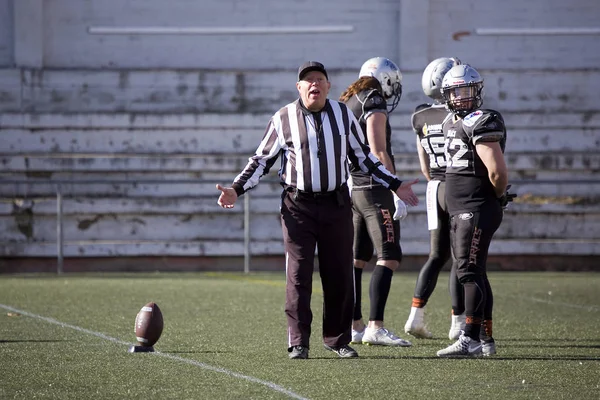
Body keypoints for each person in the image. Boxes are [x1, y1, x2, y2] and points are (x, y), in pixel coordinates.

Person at [216, 61, 419, 360]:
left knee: (339, 273)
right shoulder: (283, 118)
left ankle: (337, 340)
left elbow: (364, 158)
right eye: (307, 80)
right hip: (298, 206)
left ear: (328, 86)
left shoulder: (344, 115)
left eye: (319, 79)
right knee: (298, 274)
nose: (314, 84)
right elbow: (261, 160)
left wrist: (395, 184)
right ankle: (298, 341)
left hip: (336, 203)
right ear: (299, 88)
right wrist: (236, 188)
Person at [435, 64, 510, 357]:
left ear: (477, 91)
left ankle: (470, 338)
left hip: (475, 207)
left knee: (468, 272)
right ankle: (485, 339)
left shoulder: (483, 120)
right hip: (461, 208)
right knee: (475, 272)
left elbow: (497, 171)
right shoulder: (449, 122)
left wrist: (497, 195)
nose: (462, 98)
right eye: (456, 92)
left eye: (467, 91)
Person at [338, 57, 411, 347]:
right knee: (389, 256)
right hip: (374, 187)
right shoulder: (373, 98)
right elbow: (378, 149)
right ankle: (375, 326)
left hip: (354, 187)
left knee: (357, 259)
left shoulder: (350, 98)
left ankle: (354, 325)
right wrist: (394, 188)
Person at [403, 57, 466, 340]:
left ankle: (415, 316)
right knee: (458, 258)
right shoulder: (460, 114)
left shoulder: (419, 116)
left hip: (434, 188)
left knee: (435, 255)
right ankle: (458, 323)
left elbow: (425, 168)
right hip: (457, 185)